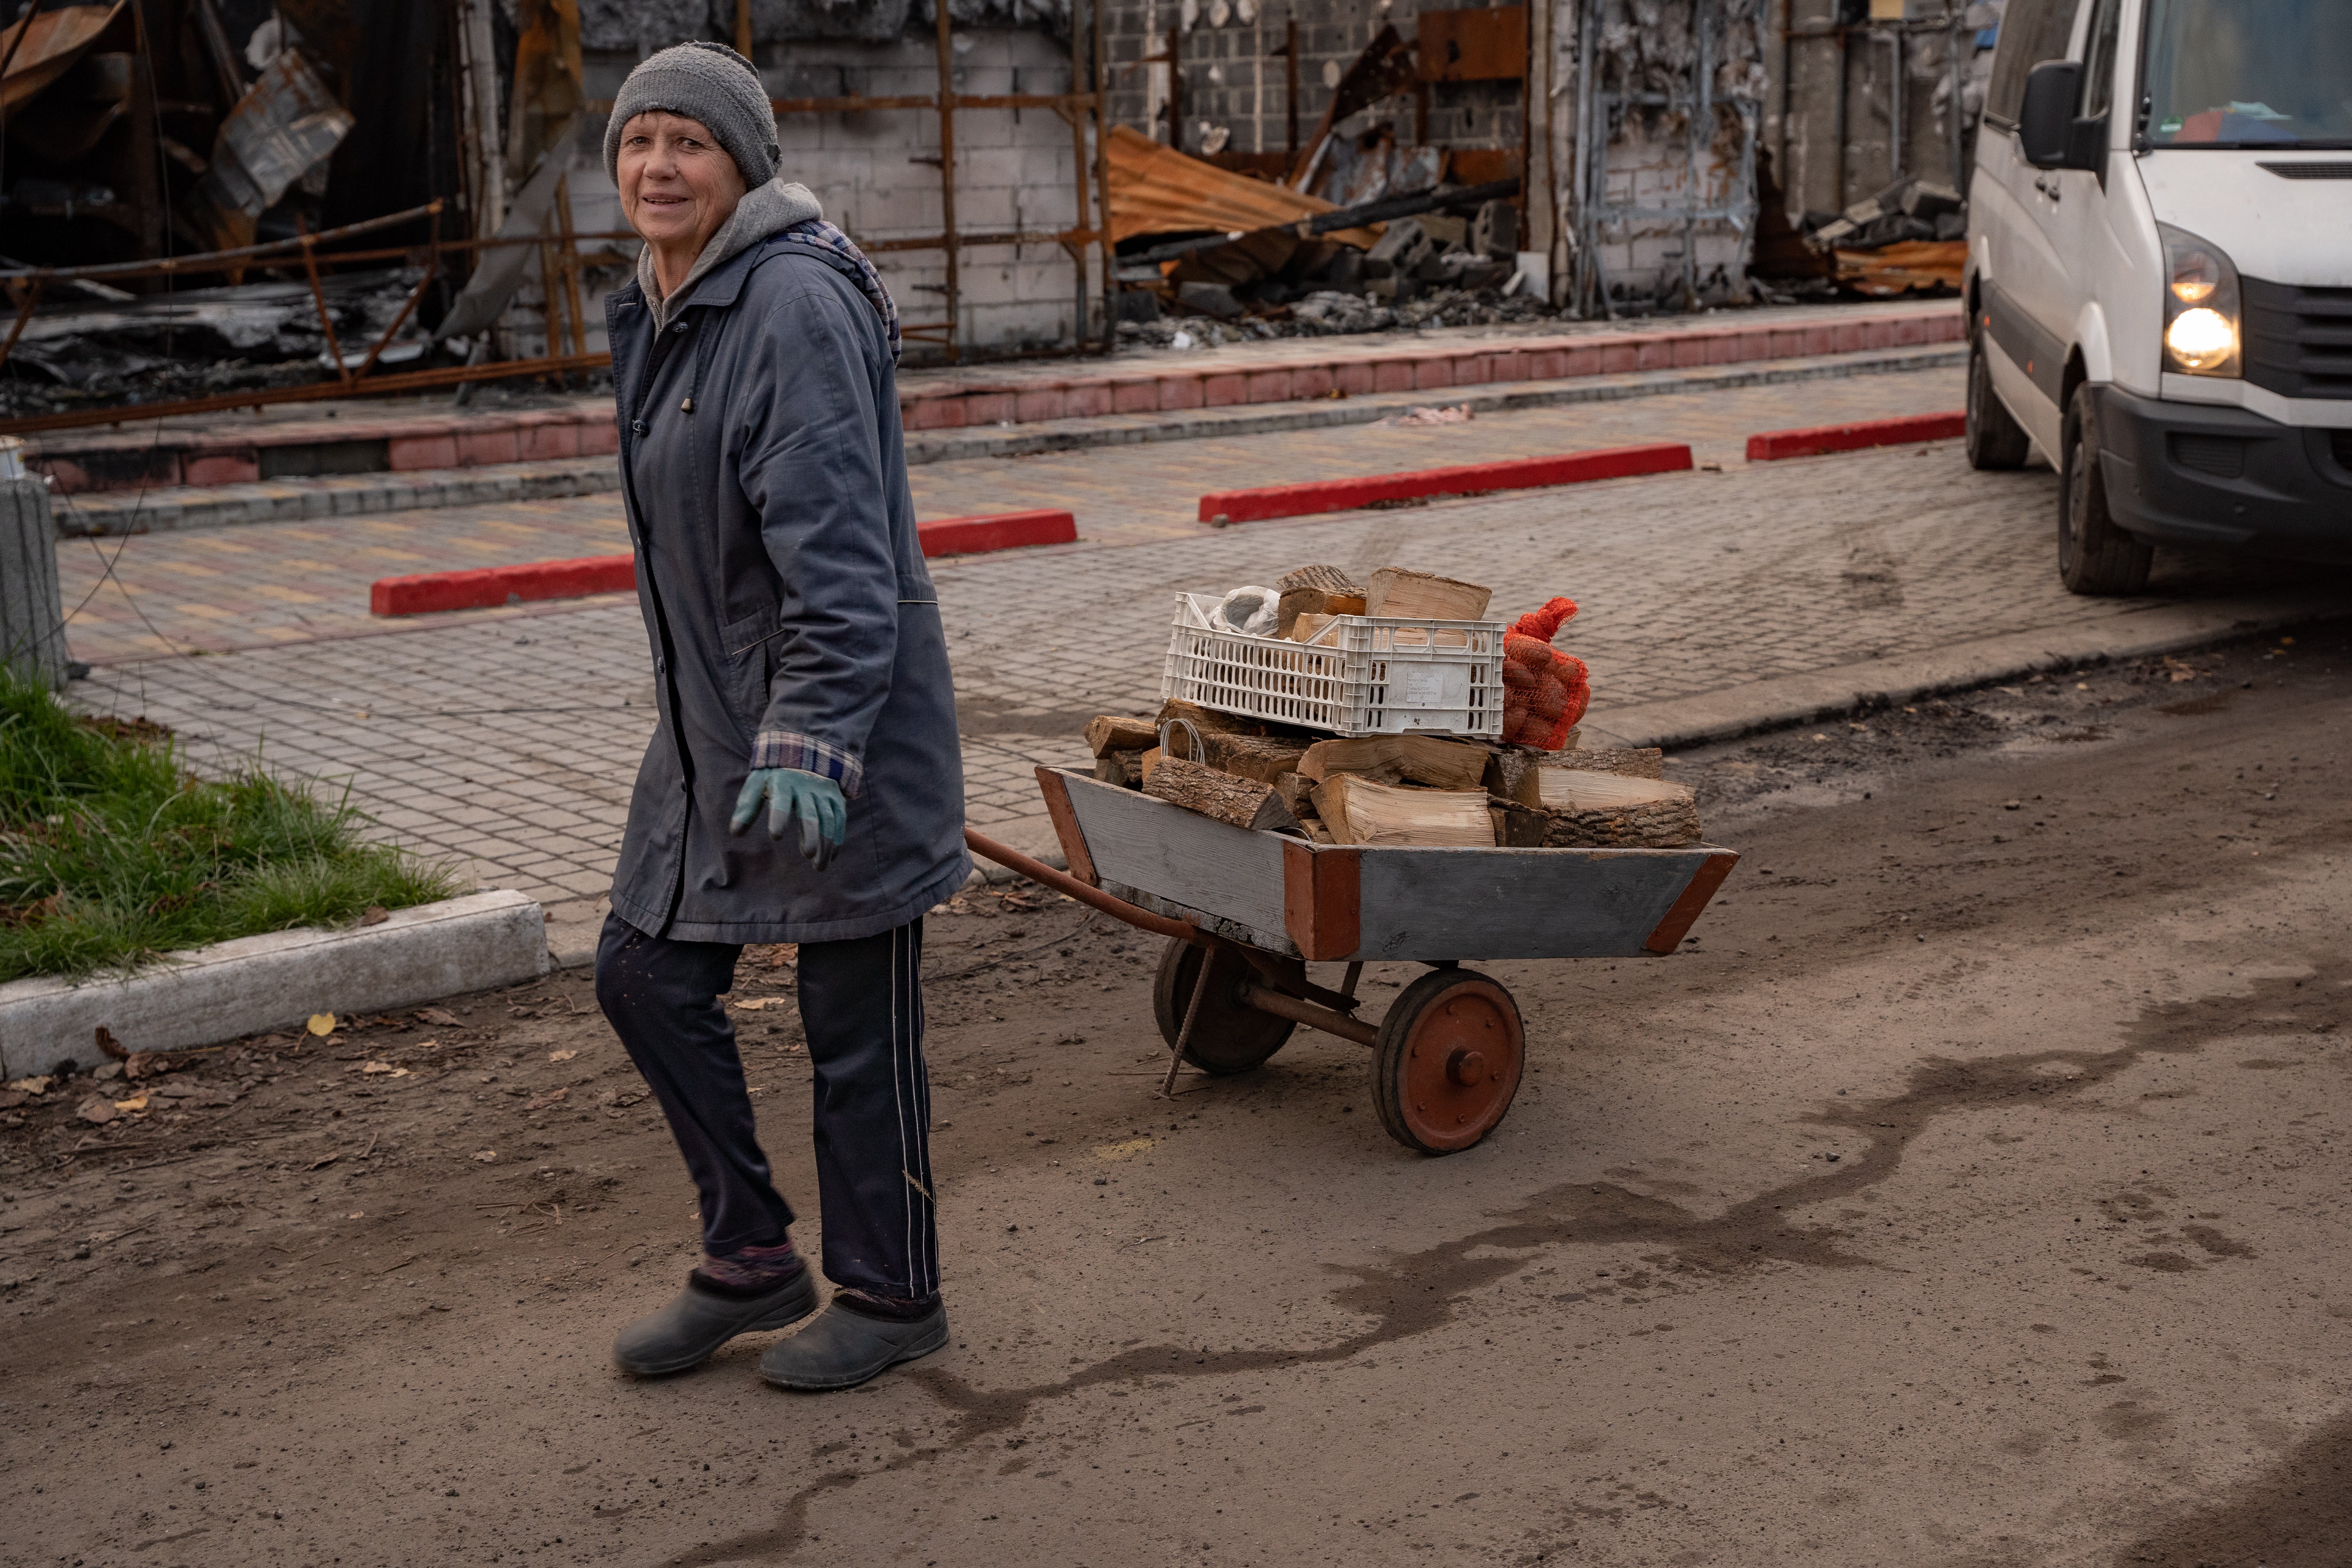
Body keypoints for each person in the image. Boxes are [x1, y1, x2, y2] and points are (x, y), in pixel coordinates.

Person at [590, 41, 967, 1392]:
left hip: (835, 724)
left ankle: (893, 1291)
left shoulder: (793, 303)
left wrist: (814, 738)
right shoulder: (663, 302)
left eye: (688, 143)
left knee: (851, 1025)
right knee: (641, 974)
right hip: (713, 733)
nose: (657, 167)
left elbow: (845, 566)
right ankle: (752, 1256)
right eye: (638, 143)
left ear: (742, 164)